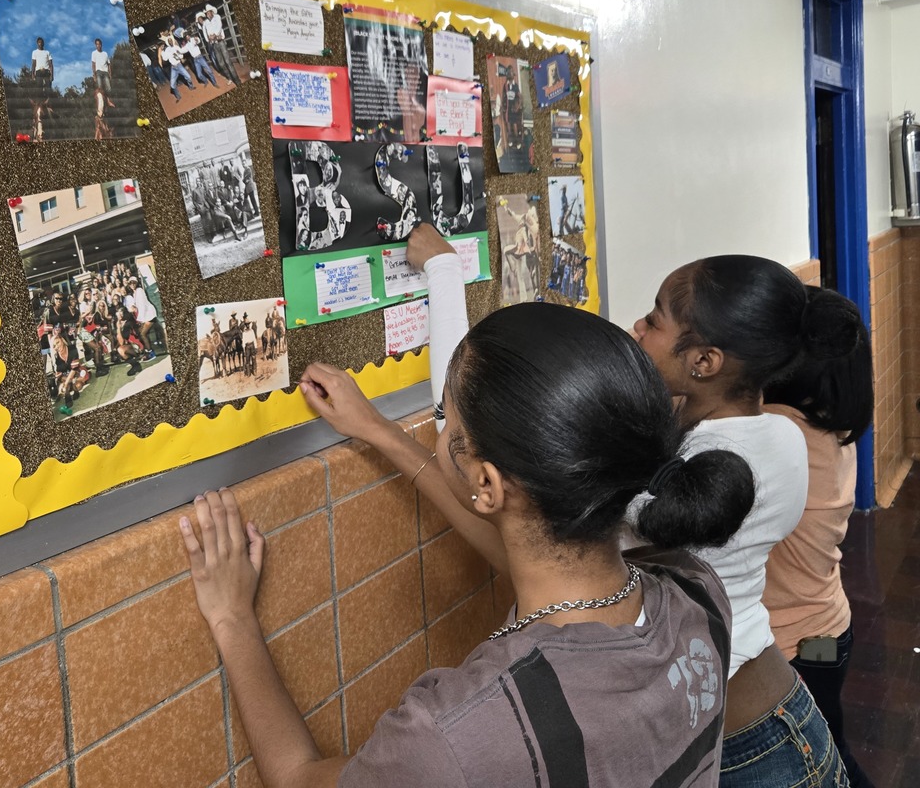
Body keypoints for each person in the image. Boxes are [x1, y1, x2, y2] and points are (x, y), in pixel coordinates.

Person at [182, 302, 755, 788]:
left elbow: (298, 779)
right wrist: (382, 432)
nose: (438, 428)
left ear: (487, 483)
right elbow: (539, 561)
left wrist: (231, 616)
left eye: (443, 418)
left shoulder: (462, 732)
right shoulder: (696, 592)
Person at [631, 256, 849, 786]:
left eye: (654, 319)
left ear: (704, 360)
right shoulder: (781, 435)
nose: (637, 327)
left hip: (747, 746)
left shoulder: (683, 475)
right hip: (774, 705)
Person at [762, 288, 875, 788]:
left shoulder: (780, 429)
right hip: (827, 630)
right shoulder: (829, 426)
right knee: (829, 745)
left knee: (817, 760)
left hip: (799, 643)